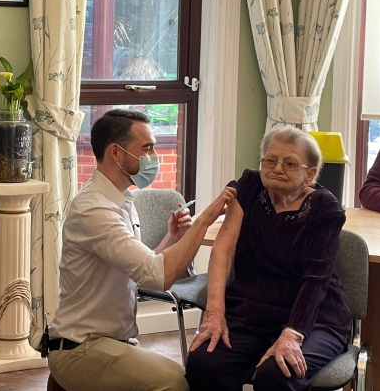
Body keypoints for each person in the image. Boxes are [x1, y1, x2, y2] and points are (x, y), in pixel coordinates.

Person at [47, 109, 235, 391]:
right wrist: (206, 218)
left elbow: (139, 268)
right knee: (174, 383)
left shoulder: (122, 200)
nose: (153, 157)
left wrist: (173, 237)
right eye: (146, 148)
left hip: (110, 343)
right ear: (116, 153)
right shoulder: (94, 209)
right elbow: (156, 276)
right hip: (82, 347)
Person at [185, 126, 351, 391]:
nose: (277, 168)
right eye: (270, 160)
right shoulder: (250, 186)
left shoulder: (325, 208)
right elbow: (223, 250)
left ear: (309, 174)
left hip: (315, 317)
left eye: (290, 163)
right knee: (204, 364)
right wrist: (214, 313)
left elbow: (316, 280)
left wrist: (292, 334)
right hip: (252, 313)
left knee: (278, 375)